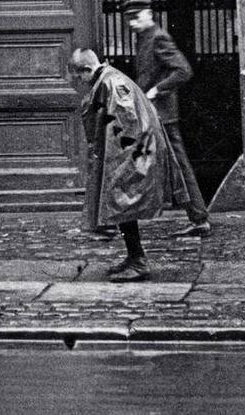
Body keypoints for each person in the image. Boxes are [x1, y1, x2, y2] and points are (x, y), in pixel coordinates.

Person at [69, 46, 175, 282]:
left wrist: (118, 162)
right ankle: (133, 256)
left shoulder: (112, 83)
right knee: (121, 203)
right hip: (132, 150)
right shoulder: (109, 80)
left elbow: (127, 121)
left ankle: (138, 261)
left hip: (131, 153)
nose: (81, 83)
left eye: (80, 77)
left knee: (122, 201)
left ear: (87, 70)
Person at [121, 0, 211, 240]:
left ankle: (199, 218)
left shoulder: (158, 37)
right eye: (129, 18)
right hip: (152, 114)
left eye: (136, 17)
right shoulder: (144, 37)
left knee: (177, 165)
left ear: (149, 14)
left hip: (162, 115)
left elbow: (183, 70)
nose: (132, 22)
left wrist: (157, 90)